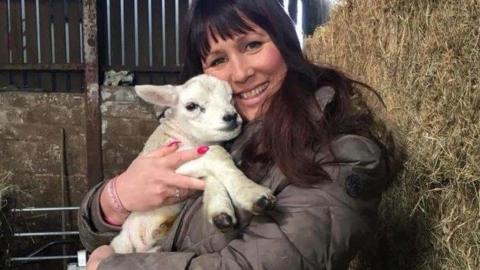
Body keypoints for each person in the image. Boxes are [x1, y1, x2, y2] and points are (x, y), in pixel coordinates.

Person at [80, 0, 402, 269]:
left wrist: (109, 266)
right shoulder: (222, 130)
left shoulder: (341, 154)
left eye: (252, 45)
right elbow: (95, 233)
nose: (240, 73)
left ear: (285, 42)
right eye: (218, 60)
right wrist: (116, 197)